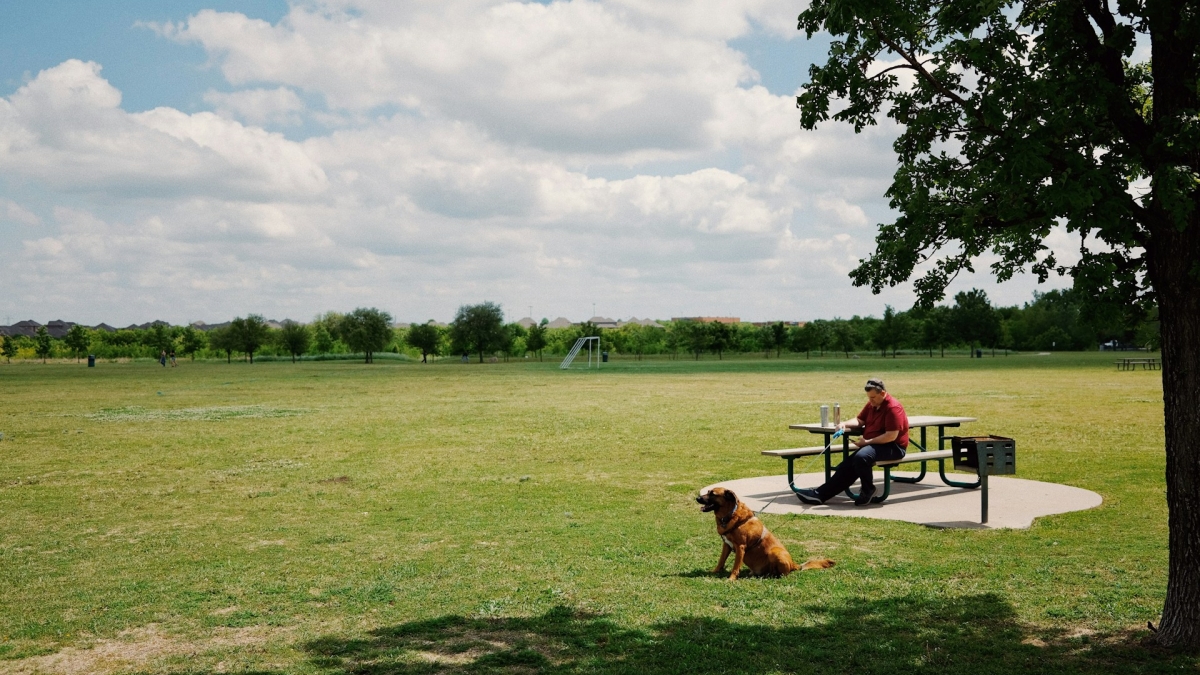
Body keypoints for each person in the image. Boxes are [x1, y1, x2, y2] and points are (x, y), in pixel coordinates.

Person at [795, 378, 909, 506]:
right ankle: (819, 495)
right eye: (869, 397)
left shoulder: (893, 407)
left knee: (862, 457)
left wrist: (866, 442)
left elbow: (891, 436)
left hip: (893, 447)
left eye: (873, 397)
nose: (870, 401)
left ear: (882, 393)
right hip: (874, 445)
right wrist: (843, 424)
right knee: (847, 465)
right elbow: (860, 420)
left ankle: (868, 490)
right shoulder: (872, 404)